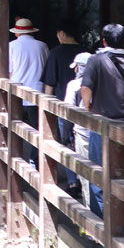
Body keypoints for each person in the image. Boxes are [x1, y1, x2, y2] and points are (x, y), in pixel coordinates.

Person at [81, 23, 124, 235]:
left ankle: (101, 221)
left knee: (98, 173)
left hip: (102, 126)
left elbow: (86, 88)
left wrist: (88, 107)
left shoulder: (95, 60)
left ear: (103, 41)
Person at [41, 19, 83, 196]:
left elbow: (49, 83)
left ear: (63, 33)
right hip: (86, 106)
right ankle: (86, 180)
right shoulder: (86, 52)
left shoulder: (56, 53)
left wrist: (46, 106)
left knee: (66, 143)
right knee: (83, 143)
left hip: (62, 105)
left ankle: (73, 183)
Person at [9, 18, 49, 166]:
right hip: (36, 91)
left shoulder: (11, 46)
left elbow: (9, 71)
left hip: (16, 92)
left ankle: (15, 158)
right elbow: (46, 68)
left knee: (14, 126)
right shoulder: (43, 46)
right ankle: (34, 159)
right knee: (37, 129)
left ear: (17, 33)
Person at [64, 52, 92, 206]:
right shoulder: (103, 83)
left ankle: (90, 210)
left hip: (82, 133)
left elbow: (68, 112)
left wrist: (66, 136)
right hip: (101, 134)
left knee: (86, 173)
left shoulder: (74, 85)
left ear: (80, 68)